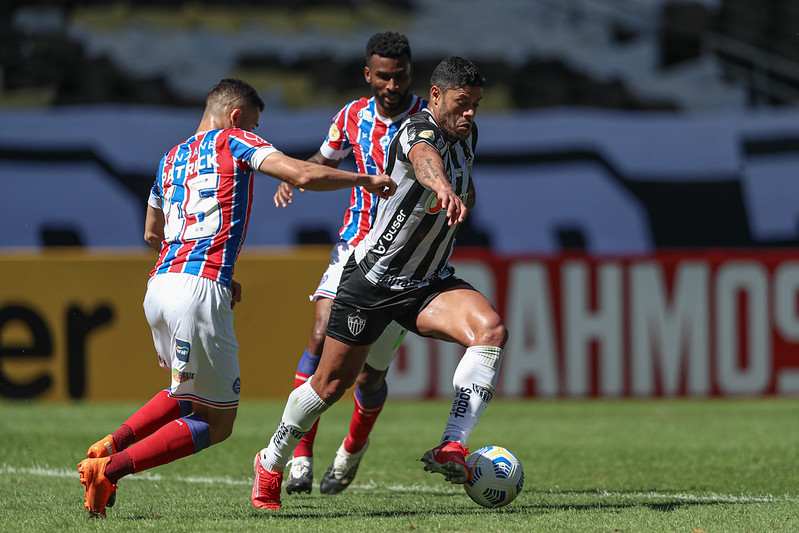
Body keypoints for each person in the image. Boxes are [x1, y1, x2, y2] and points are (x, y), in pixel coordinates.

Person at [76, 78, 395, 518]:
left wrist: (201, 265)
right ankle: (111, 469)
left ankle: (108, 446)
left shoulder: (171, 157)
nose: (258, 129)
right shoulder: (235, 139)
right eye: (256, 122)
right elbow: (301, 173)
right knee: (218, 422)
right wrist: (366, 178)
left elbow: (152, 232)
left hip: (160, 285)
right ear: (236, 116)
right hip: (197, 291)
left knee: (186, 395)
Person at [252, 57, 506, 511]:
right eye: (462, 105)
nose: (470, 114)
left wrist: (458, 193)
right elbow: (423, 158)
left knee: (490, 331)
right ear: (436, 97)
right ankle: (271, 460)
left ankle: (452, 445)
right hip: (372, 279)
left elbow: (460, 184)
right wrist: (442, 188)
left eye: (476, 106)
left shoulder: (469, 139)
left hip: (427, 281)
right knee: (329, 386)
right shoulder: (415, 129)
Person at [272, 31, 427, 496]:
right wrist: (296, 175)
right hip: (352, 246)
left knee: (367, 373)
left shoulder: (427, 119)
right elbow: (326, 157)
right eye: (383, 77)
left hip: (401, 258)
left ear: (409, 74)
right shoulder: (351, 116)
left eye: (399, 76)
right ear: (368, 75)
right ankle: (299, 456)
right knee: (319, 337)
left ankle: (353, 449)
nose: (392, 85)